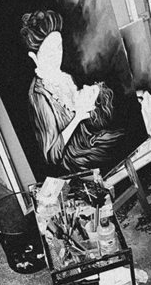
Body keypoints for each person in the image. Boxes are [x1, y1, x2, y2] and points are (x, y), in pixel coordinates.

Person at [20, 10, 126, 174]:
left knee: (125, 137)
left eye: (59, 48)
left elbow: (88, 115)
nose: (56, 56)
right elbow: (52, 155)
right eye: (49, 52)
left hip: (90, 141)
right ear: (34, 57)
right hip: (74, 159)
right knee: (116, 148)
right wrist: (78, 117)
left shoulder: (65, 77)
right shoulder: (39, 96)